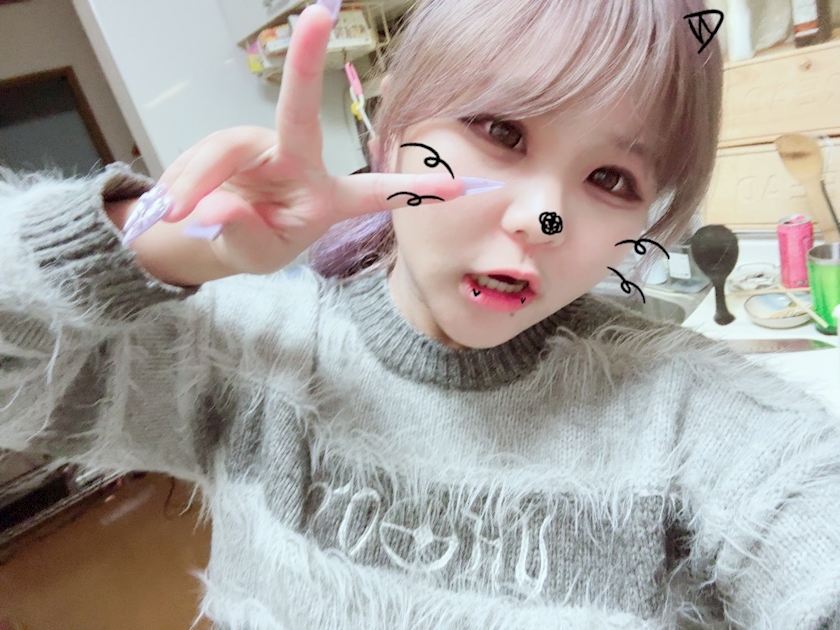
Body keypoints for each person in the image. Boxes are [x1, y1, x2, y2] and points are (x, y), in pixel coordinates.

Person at [1, 0, 838, 628]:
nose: (542, 219)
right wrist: (144, 243)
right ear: (392, 127)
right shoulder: (253, 354)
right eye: (501, 130)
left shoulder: (685, 416)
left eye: (611, 180)